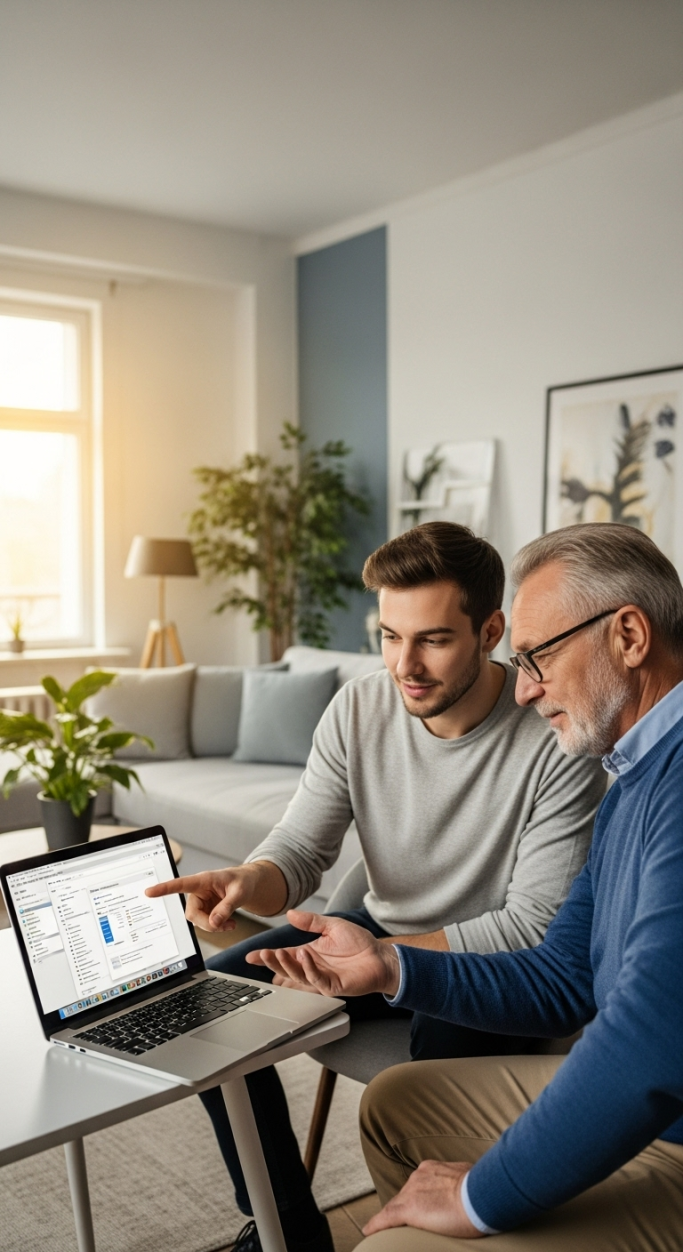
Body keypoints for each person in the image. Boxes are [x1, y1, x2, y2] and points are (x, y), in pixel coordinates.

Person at [147, 522, 605, 1252]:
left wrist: (384, 959)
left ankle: (428, 1231)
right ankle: (285, 1227)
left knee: (438, 1061)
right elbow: (300, 848)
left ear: (490, 629)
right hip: (371, 935)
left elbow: (533, 930)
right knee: (204, 1005)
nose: (404, 665)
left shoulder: (553, 734)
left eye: (431, 639)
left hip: (486, 966)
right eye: (389, 637)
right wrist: (246, 879)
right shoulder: (359, 708)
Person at [251, 522, 683, 1251]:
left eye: (539, 655)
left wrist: (481, 1199)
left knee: (391, 1244)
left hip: (668, 1127)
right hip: (656, 1100)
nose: (526, 689)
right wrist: (389, 965)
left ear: (629, 638)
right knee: (392, 1104)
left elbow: (652, 1041)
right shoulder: (632, 775)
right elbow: (561, 976)